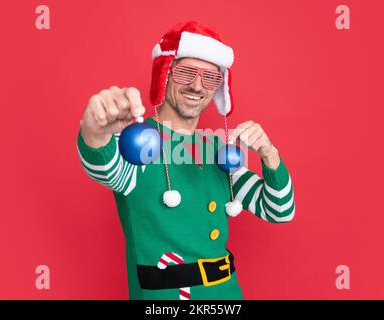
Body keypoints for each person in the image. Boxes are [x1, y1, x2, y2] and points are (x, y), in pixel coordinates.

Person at [76, 21, 295, 300]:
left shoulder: (220, 151)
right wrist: (95, 130)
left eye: (210, 78)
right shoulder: (139, 140)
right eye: (186, 72)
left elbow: (279, 211)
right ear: (165, 74)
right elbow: (105, 166)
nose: (197, 85)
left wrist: (270, 155)